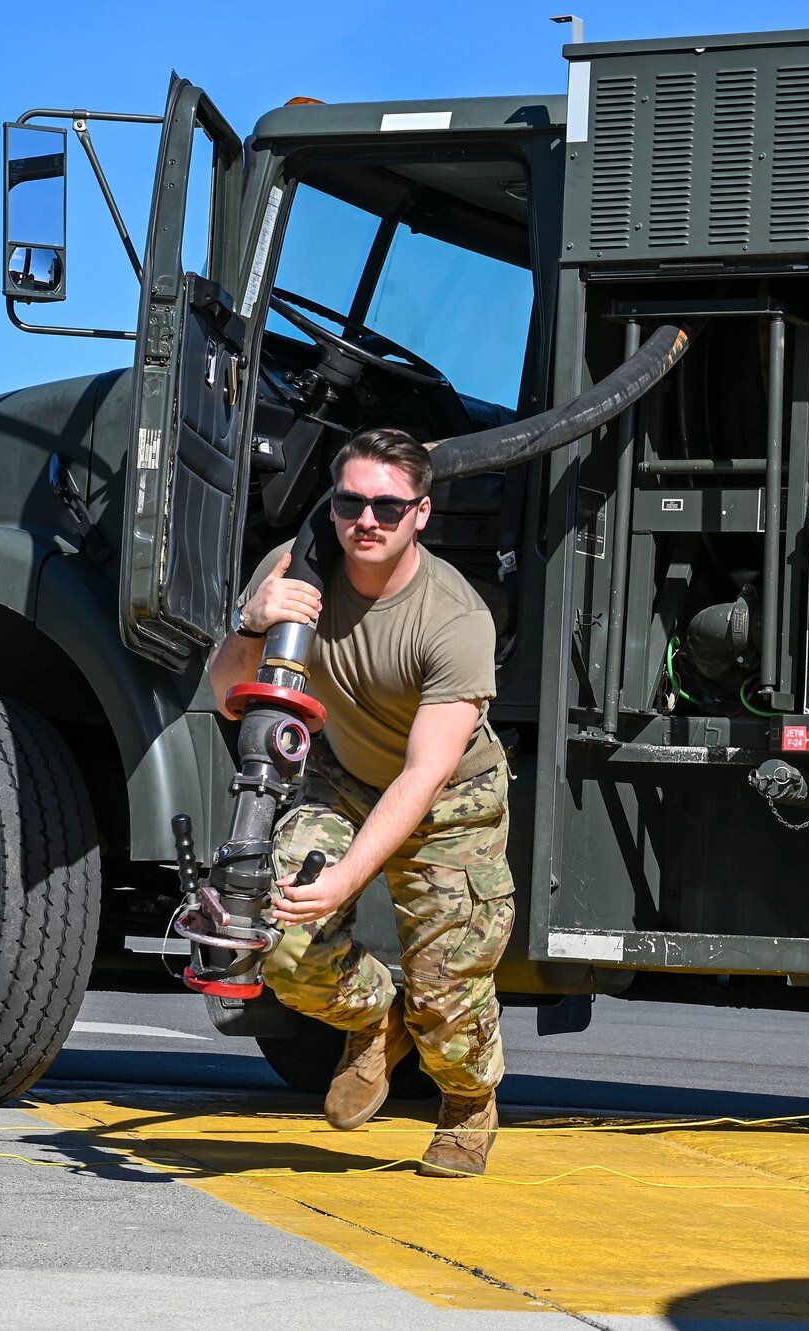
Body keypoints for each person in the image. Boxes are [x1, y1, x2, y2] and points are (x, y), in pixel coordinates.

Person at [206, 427, 514, 1177]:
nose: (366, 520)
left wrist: (348, 878)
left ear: (420, 513)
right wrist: (251, 622)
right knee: (280, 935)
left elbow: (424, 772)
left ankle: (468, 1105)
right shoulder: (294, 572)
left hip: (450, 802)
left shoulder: (455, 618)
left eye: (387, 506)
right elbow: (226, 695)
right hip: (342, 778)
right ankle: (376, 1021)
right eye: (350, 503)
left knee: (447, 991)